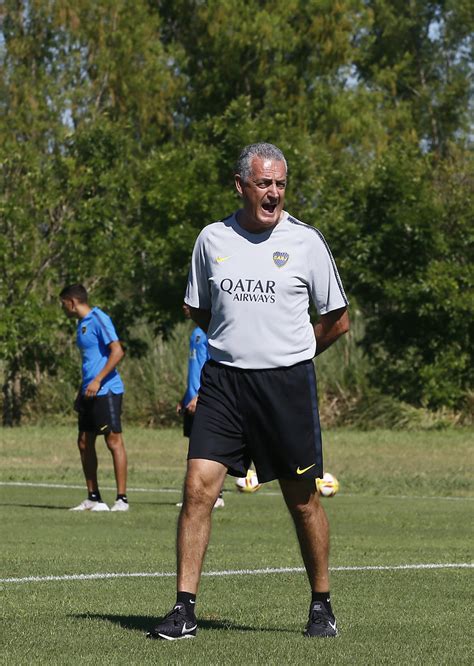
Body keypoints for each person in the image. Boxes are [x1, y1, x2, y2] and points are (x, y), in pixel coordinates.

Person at [147, 143, 349, 641]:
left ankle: (321, 605)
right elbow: (199, 309)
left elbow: (337, 320)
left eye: (280, 183)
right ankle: (183, 608)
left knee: (302, 500)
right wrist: (238, 342)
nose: (274, 193)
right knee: (197, 489)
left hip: (286, 386)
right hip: (224, 383)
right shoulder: (210, 239)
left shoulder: (306, 242)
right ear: (241, 186)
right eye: (264, 183)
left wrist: (294, 351)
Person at [60, 284, 129, 512]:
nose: (62, 309)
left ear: (71, 302)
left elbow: (117, 350)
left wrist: (98, 379)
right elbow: (91, 360)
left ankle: (121, 499)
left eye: (63, 304)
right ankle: (93, 497)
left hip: (107, 390)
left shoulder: (99, 318)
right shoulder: (81, 325)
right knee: (83, 442)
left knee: (113, 441)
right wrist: (84, 387)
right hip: (89, 392)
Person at [175, 304, 224, 508]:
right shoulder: (196, 333)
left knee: (207, 450)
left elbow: (213, 367)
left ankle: (216, 495)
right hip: (192, 399)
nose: (184, 306)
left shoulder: (210, 332)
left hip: (204, 399)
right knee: (195, 449)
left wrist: (199, 396)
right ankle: (199, 492)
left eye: (189, 303)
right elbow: (195, 370)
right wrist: (185, 397)